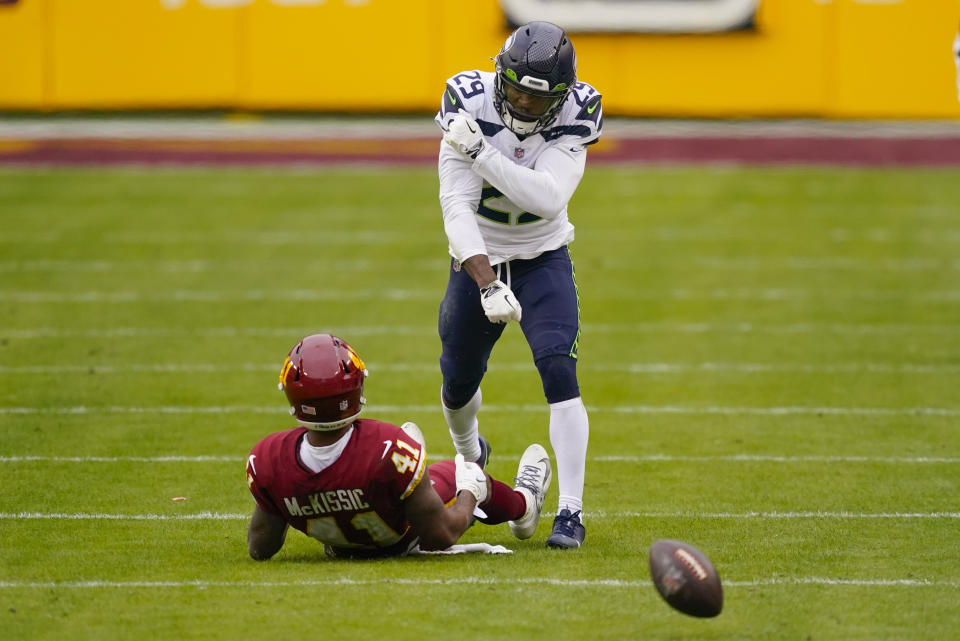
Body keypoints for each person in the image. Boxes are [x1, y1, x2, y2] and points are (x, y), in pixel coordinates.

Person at [434, 21, 601, 549]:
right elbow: (457, 206)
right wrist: (484, 280)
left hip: (542, 255)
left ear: (560, 97)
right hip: (475, 256)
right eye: (515, 91)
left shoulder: (579, 108)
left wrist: (484, 153)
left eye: (538, 97)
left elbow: (547, 198)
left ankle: (570, 511)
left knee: (559, 370)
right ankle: (470, 457)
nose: (524, 105)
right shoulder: (467, 96)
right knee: (458, 380)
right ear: (498, 76)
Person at [245, 333, 552, 560]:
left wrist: (304, 496)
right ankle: (524, 506)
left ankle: (408, 478)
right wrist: (471, 493)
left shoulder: (269, 459)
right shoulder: (385, 447)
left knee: (398, 465)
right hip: (399, 537)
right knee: (465, 471)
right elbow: (441, 535)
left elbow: (261, 547)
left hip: (340, 544)